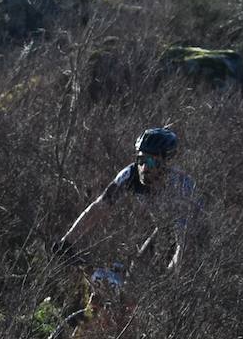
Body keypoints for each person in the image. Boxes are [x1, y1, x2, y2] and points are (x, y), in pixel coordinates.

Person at [54, 126, 201, 315]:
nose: (144, 168)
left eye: (151, 161)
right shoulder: (131, 174)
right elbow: (99, 207)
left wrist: (171, 281)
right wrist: (67, 241)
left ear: (166, 163)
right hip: (165, 230)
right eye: (141, 160)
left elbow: (184, 243)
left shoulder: (180, 189)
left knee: (171, 295)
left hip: (195, 239)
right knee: (133, 279)